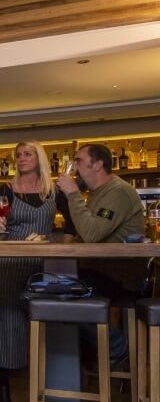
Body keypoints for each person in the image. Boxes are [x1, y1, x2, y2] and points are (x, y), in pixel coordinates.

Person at [0, 140, 73, 402]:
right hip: (11, 264)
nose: (22, 159)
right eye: (18, 155)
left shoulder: (53, 190)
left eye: (27, 154)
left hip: (43, 267)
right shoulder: (7, 190)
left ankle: (46, 386)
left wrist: (64, 251)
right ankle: (3, 387)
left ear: (40, 158)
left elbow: (71, 223)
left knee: (44, 326)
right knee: (8, 324)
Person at [56, 143, 146, 368]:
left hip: (120, 274)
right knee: (47, 290)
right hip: (97, 270)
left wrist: (73, 194)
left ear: (97, 165)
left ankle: (118, 346)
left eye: (78, 160)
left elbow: (92, 234)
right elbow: (84, 233)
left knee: (64, 297)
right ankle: (89, 363)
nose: (74, 166)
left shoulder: (118, 191)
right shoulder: (95, 194)